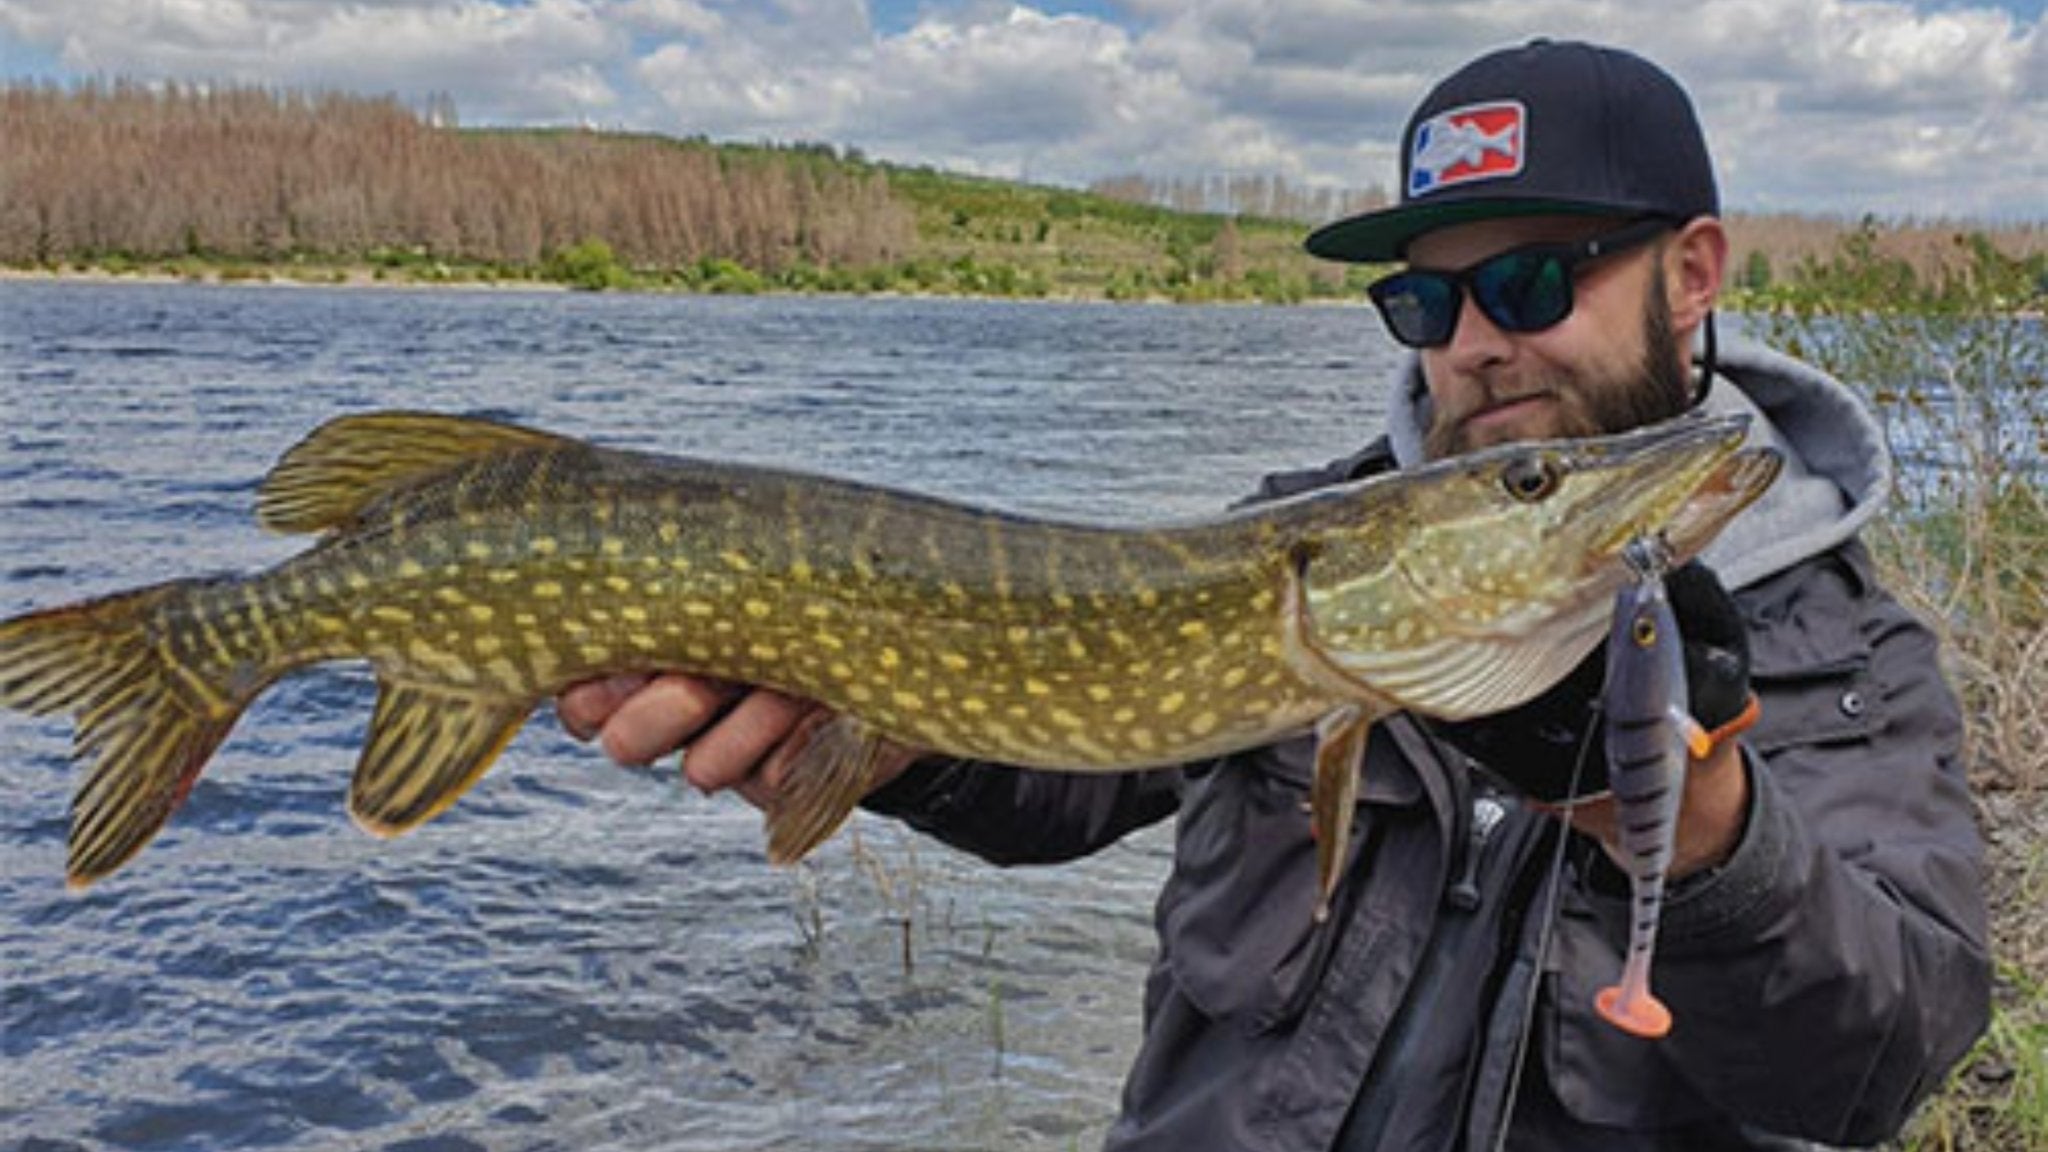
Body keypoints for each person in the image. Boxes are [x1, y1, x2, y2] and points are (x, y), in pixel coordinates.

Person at [559, 40, 1990, 1151]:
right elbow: (1074, 784)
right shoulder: (1306, 548)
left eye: (1537, 280)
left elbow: (1883, 1062)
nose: (1477, 346)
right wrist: (880, 729)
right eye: (1428, 304)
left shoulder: (1848, 652)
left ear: (1692, 276)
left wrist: (1695, 830)